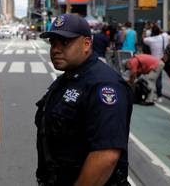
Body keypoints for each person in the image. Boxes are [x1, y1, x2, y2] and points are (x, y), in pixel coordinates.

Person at [35, 13, 133, 186]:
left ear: (87, 44)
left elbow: (106, 156)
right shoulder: (68, 78)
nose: (55, 49)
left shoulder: (104, 85)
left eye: (64, 42)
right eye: (53, 42)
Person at [143, 24, 170, 100]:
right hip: (165, 59)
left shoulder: (150, 40)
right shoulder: (165, 37)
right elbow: (167, 33)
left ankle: (159, 96)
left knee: (158, 78)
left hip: (156, 61)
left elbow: (144, 39)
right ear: (159, 31)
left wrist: (145, 31)